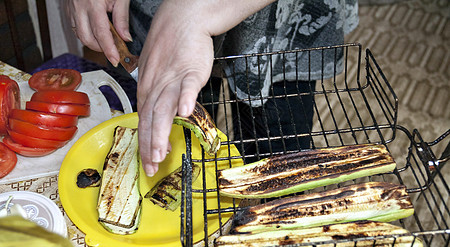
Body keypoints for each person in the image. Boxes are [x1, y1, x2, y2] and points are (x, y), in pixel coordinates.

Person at [66, 0, 358, 175]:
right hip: (160, 18)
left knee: (278, 145)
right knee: (180, 145)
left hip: (281, 25)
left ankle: (288, 229)